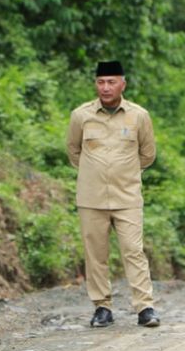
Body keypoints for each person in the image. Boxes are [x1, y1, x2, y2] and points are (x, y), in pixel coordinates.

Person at [66, 61, 160, 328]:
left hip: (127, 197)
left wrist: (124, 172)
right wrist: (95, 173)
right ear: (95, 84)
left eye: (111, 82)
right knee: (95, 254)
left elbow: (148, 154)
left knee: (134, 250)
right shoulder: (81, 115)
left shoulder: (139, 116)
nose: (105, 87)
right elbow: (73, 152)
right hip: (91, 198)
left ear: (123, 84)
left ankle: (145, 308)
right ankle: (102, 307)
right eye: (100, 82)